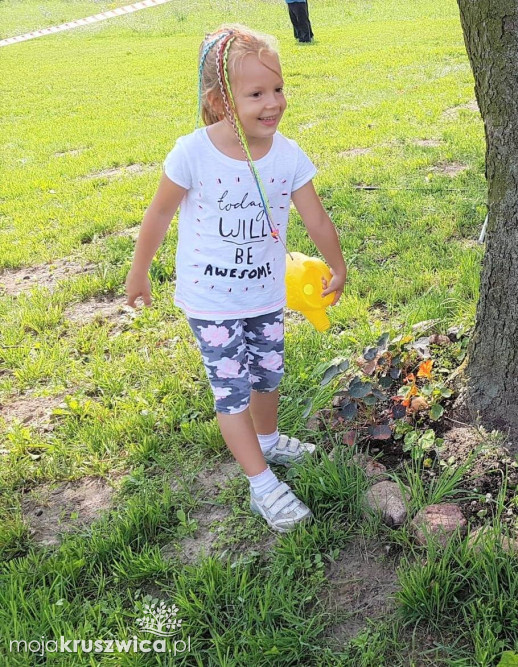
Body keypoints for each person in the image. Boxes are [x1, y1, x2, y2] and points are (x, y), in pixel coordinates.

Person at [126, 25, 345, 532]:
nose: (274, 103)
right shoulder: (192, 153)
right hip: (212, 302)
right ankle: (262, 483)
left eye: (278, 89)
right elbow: (158, 215)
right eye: (256, 94)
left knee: (268, 376)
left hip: (265, 294)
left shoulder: (288, 155)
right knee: (234, 392)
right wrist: (139, 272)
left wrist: (338, 263)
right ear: (220, 100)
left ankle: (267, 440)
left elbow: (315, 217)